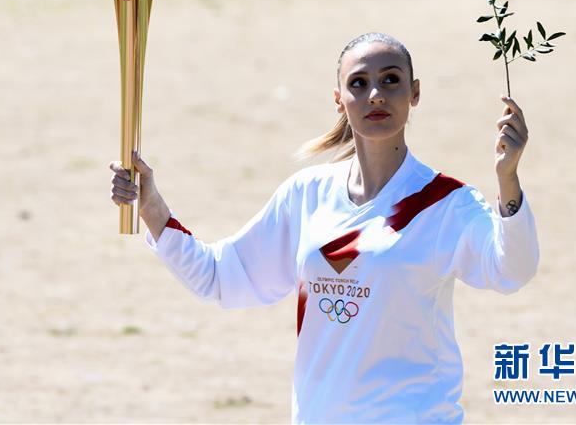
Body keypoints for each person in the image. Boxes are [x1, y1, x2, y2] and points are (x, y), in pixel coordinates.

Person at [108, 32, 539, 424]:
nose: (375, 95)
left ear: (415, 93)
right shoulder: (308, 194)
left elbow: (510, 270)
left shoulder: (447, 203)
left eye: (391, 80)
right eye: (359, 83)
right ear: (339, 99)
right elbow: (222, 278)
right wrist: (152, 208)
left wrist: (508, 179)